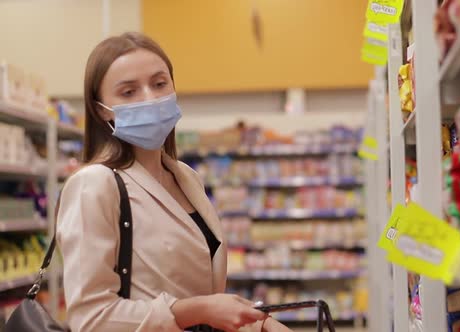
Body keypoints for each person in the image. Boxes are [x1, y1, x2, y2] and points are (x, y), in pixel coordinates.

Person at [56, 32, 291, 332]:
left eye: (159, 83)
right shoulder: (95, 184)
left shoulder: (185, 177)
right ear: (102, 109)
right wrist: (199, 310)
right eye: (129, 92)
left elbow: (199, 293)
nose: (151, 98)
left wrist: (259, 324)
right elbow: (91, 318)